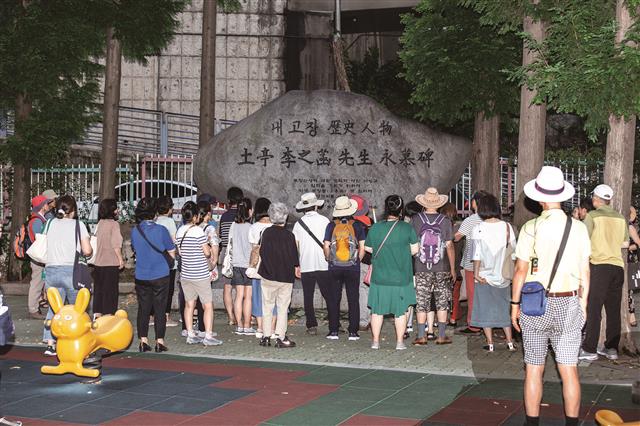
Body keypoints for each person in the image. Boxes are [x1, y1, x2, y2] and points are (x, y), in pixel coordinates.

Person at [511, 166, 591, 426]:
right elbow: (585, 270)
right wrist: (584, 304)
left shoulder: (530, 228)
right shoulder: (578, 228)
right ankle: (571, 423)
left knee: (534, 368)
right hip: (569, 301)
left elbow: (521, 270)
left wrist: (514, 305)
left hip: (535, 304)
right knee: (569, 370)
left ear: (539, 197)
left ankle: (532, 423)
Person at [579, 184, 629, 361]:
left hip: (599, 266)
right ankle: (611, 348)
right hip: (617, 267)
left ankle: (590, 348)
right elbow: (625, 243)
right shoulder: (621, 218)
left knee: (594, 308)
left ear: (596, 199)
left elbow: (583, 239)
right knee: (613, 310)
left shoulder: (592, 216)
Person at [365, 195, 419, 350]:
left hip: (379, 277)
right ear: (401, 210)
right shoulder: (407, 228)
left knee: (377, 310)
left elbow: (368, 248)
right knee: (401, 311)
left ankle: (375, 342)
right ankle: (400, 342)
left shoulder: (375, 228)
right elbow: (415, 250)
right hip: (401, 277)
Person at [42, 195, 93, 356]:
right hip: (71, 271)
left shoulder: (50, 223)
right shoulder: (79, 225)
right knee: (77, 308)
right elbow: (86, 251)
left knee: (54, 307)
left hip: (51, 269)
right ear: (73, 210)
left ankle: (50, 344)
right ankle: (78, 341)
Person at [469, 193, 517, 352]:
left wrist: (476, 273)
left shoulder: (478, 228)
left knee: (485, 308)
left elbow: (476, 255)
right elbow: (514, 253)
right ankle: (510, 342)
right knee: (504, 308)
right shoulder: (507, 227)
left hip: (483, 275)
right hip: (503, 276)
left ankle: (490, 344)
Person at [411, 188, 456, 346]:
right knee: (442, 301)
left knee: (422, 301)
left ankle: (422, 336)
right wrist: (452, 268)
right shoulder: (445, 221)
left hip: (421, 267)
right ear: (438, 203)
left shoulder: (416, 219)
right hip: (442, 267)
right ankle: (441, 336)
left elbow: (412, 244)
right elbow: (449, 246)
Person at [130, 197, 176, 353]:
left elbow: (135, 250)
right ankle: (159, 341)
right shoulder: (161, 230)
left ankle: (143, 340)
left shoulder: (135, 231)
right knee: (160, 308)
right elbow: (171, 251)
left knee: (143, 308)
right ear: (155, 213)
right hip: (160, 274)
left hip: (141, 274)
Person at [176, 202, 222, 346]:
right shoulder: (198, 231)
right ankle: (208, 335)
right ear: (195, 216)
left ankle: (190, 334)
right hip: (200, 274)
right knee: (207, 305)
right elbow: (207, 252)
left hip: (186, 274)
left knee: (189, 305)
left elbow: (180, 253)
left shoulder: (179, 231)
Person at [323, 196, 366, 341]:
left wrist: (330, 259)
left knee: (334, 298)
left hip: (334, 267)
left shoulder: (331, 226)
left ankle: (333, 331)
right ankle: (353, 332)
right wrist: (356, 260)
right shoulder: (357, 225)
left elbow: (326, 246)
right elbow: (362, 246)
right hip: (352, 267)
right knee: (353, 298)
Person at [257, 202, 299, 348]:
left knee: (267, 306)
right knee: (282, 308)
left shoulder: (266, 233)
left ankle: (266, 336)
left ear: (270, 216)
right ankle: (280, 337)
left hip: (268, 274)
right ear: (286, 217)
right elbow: (294, 257)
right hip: (285, 277)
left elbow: (261, 251)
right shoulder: (289, 235)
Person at [292, 193, 331, 335]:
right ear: (316, 205)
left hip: (306, 264)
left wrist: (297, 265)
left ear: (304, 208)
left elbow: (295, 247)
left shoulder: (298, 224)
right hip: (324, 263)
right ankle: (335, 324)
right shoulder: (325, 221)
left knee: (307, 296)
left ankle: (311, 325)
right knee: (328, 295)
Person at [454, 191, 487, 335]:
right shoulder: (493, 219)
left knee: (473, 295)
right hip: (490, 263)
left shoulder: (471, 220)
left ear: (475, 202)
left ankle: (474, 325)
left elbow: (457, 237)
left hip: (472, 263)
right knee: (487, 294)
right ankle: (489, 323)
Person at [248, 198, 274, 338]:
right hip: (273, 267)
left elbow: (253, 249)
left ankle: (260, 328)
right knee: (273, 298)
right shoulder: (275, 226)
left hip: (258, 268)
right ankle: (272, 327)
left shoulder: (253, 227)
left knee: (258, 297)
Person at [92, 199, 124, 317]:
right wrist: (120, 259)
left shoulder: (100, 223)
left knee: (99, 292)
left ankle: (97, 316)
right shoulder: (114, 224)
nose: (118, 210)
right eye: (116, 208)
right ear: (112, 210)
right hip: (110, 263)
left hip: (98, 263)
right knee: (110, 293)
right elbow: (116, 244)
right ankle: (108, 318)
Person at [229, 198, 254, 335]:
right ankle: (247, 325)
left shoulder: (234, 226)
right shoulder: (250, 228)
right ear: (249, 211)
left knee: (239, 295)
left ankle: (239, 325)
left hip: (236, 264)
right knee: (248, 297)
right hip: (248, 265)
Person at [219, 187, 243, 325]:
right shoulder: (243, 216)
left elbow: (222, 236)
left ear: (229, 200)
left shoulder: (224, 216)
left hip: (227, 256)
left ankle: (230, 317)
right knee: (242, 289)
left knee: (227, 287)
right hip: (240, 256)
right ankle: (243, 317)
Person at [154, 195, 179, 327]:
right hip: (168, 261)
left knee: (156, 289)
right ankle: (165, 316)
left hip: (156, 260)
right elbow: (174, 241)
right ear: (169, 209)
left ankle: (152, 316)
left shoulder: (155, 220)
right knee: (168, 290)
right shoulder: (169, 222)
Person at [350, 194, 373, 332]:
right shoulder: (371, 221)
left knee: (363, 291)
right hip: (374, 261)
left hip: (361, 261)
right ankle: (372, 318)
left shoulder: (353, 224)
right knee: (371, 290)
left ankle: (364, 321)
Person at [27, 195, 52, 320]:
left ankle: (35, 307)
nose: (49, 205)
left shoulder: (38, 219)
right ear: (42, 206)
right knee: (36, 283)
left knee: (38, 282)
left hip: (38, 257)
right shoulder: (37, 221)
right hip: (38, 258)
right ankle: (33, 309)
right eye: (47, 203)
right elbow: (39, 239)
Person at [439, 202, 463, 327]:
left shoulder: (440, 230)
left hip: (442, 267)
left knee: (441, 295)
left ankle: (443, 319)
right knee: (455, 295)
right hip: (457, 266)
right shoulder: (459, 230)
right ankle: (453, 318)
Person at [627, 206, 639, 327]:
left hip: (629, 261)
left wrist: (628, 248)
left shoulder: (630, 226)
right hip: (621, 261)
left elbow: (638, 243)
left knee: (629, 289)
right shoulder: (625, 225)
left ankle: (632, 315)